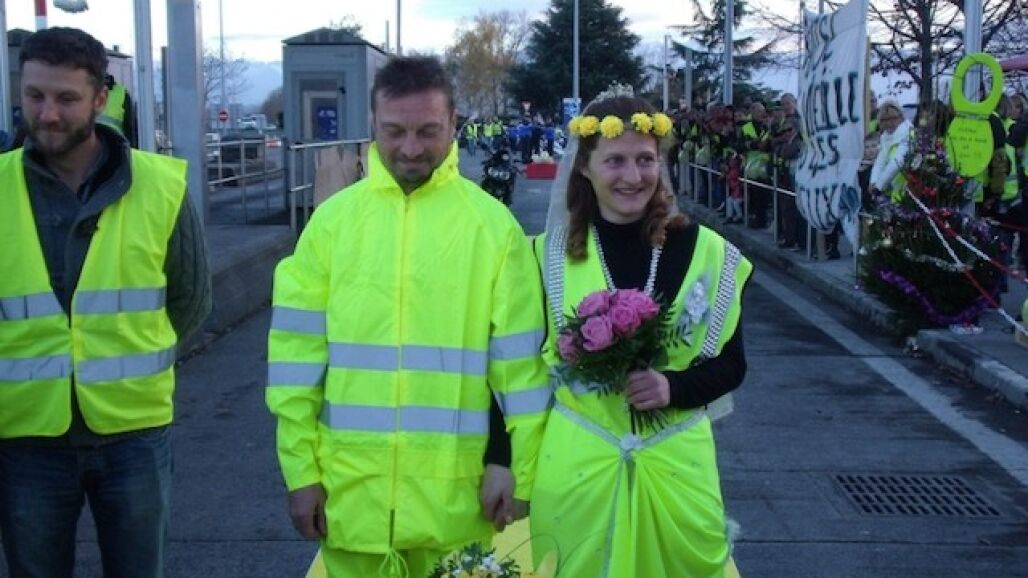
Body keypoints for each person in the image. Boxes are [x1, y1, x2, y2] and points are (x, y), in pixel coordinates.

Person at [265, 55, 551, 577]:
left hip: (458, 511)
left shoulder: (494, 230)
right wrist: (299, 473)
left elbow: (522, 374)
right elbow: (294, 365)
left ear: (454, 122)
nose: (411, 148)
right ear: (373, 122)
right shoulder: (330, 226)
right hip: (352, 502)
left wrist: (517, 469)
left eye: (428, 131)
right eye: (394, 131)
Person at [0, 26, 211, 577]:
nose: (47, 114)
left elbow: (190, 298)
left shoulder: (159, 186)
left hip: (133, 435)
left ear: (100, 98)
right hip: (25, 435)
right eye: (34, 95)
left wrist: (129, 359)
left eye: (66, 98)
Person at [531, 92, 751, 577]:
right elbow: (520, 373)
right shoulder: (546, 257)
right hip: (579, 467)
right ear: (585, 167)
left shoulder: (707, 252)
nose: (632, 177)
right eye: (615, 160)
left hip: (676, 465)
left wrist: (673, 387)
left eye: (645, 160)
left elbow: (733, 364)